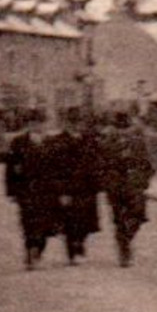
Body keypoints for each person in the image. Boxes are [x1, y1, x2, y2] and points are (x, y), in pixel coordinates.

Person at [2, 109, 63, 270]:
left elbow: (60, 169)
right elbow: (10, 168)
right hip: (26, 190)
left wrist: (62, 190)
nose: (38, 126)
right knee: (28, 223)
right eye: (34, 123)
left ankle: (38, 250)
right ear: (29, 125)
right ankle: (30, 252)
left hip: (48, 191)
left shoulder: (53, 143)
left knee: (46, 225)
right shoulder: (18, 142)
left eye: (41, 123)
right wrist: (11, 191)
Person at [101, 112, 154, 267]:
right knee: (120, 219)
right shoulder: (108, 142)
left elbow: (146, 162)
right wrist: (107, 183)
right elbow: (103, 165)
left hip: (134, 184)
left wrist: (144, 181)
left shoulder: (138, 141)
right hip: (116, 186)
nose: (124, 132)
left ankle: (125, 240)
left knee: (139, 214)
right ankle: (124, 250)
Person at [53, 111, 103, 265]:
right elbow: (56, 169)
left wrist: (98, 183)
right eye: (71, 122)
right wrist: (61, 191)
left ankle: (80, 242)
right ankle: (72, 252)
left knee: (85, 221)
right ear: (65, 123)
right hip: (69, 188)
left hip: (87, 188)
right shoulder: (58, 141)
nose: (75, 126)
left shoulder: (89, 140)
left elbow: (97, 162)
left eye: (78, 122)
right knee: (69, 221)